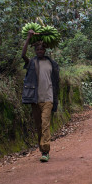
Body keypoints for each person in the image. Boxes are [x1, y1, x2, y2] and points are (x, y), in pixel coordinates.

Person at [22, 30, 60, 162]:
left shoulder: (52, 64)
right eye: (37, 49)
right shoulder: (32, 63)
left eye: (41, 49)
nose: (39, 51)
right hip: (35, 99)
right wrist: (28, 38)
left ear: (45, 50)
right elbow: (23, 55)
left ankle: (46, 151)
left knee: (45, 125)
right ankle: (42, 149)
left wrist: (56, 98)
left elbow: (56, 82)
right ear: (35, 51)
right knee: (39, 127)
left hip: (48, 99)